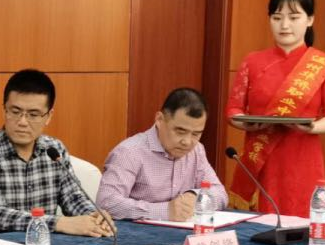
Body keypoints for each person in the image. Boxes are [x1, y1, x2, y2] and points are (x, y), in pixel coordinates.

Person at [226, 0, 325, 217]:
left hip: (303, 157)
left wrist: (312, 127)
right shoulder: (252, 61)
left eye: (294, 17)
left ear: (310, 20)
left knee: (300, 222)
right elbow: (233, 110)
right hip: (261, 157)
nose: (285, 25)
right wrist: (247, 123)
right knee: (259, 223)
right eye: (277, 17)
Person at [0, 69, 114, 236]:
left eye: (33, 115)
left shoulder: (55, 149)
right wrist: (59, 223)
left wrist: (93, 216)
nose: (22, 122)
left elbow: (73, 198)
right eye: (15, 112)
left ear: (48, 116)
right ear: (4, 110)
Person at [97, 88, 227, 222]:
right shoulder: (129, 152)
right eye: (180, 131)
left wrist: (195, 197)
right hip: (138, 233)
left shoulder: (197, 151)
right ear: (159, 120)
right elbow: (106, 202)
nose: (187, 142)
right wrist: (165, 211)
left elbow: (221, 194)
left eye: (196, 134)